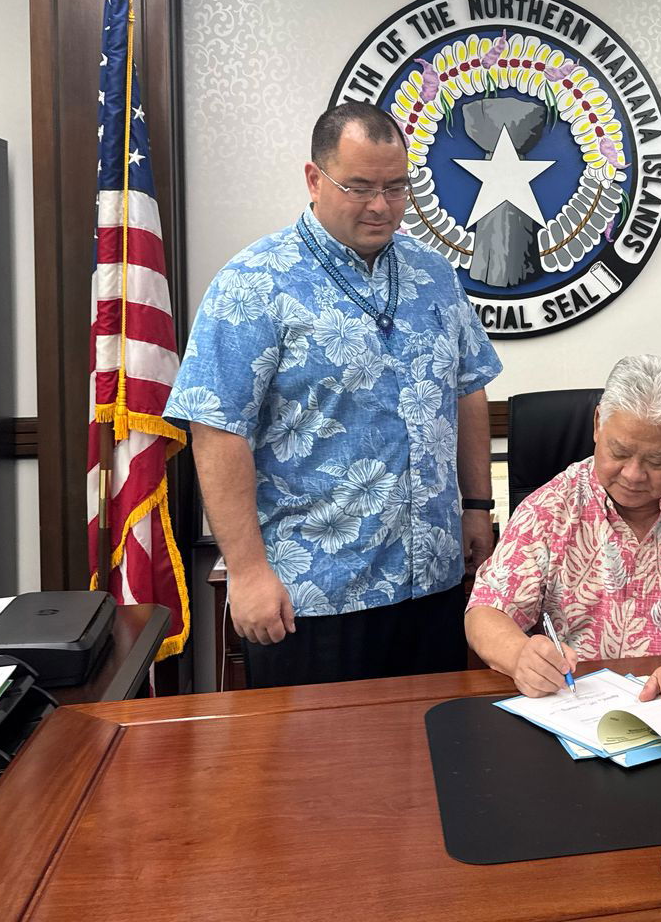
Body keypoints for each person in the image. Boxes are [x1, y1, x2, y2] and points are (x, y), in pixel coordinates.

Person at [166, 102, 502, 687]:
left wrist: (477, 506)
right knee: (317, 775)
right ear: (314, 179)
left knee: (438, 763)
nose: (381, 205)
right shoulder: (253, 283)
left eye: (397, 187)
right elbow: (217, 430)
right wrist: (246, 573)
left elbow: (468, 388)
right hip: (314, 597)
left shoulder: (435, 275)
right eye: (360, 187)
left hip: (435, 581)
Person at [467, 355, 661, 718]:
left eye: (657, 460)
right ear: (597, 426)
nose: (634, 475)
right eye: (619, 452)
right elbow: (486, 611)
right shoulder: (550, 508)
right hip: (578, 713)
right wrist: (519, 656)